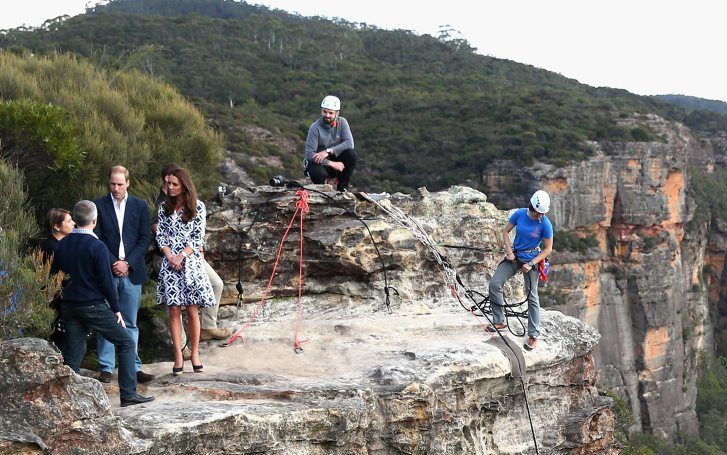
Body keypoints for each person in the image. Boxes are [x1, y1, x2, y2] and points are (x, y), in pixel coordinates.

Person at [52, 200, 154, 407]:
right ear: (95, 220)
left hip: (69, 305)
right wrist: (116, 309)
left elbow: (56, 276)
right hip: (93, 305)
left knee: (73, 353)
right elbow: (107, 282)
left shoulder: (63, 244)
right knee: (125, 343)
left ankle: (69, 401)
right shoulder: (96, 246)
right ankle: (128, 394)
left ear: (76, 219)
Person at [152, 164, 229, 356]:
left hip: (191, 257)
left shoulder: (196, 205)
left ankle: (208, 327)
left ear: (183, 184)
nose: (170, 187)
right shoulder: (162, 203)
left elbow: (197, 235)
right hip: (166, 258)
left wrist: (189, 252)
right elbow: (158, 231)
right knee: (175, 306)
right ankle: (182, 349)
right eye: (167, 182)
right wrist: (171, 255)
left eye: (174, 183)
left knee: (214, 286)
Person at [93, 166, 154, 384]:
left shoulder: (139, 206)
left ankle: (133, 367)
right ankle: (106, 368)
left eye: (120, 184)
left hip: (132, 273)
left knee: (130, 321)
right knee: (107, 320)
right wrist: (113, 263)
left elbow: (144, 239)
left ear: (128, 182)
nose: (116, 188)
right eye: (112, 184)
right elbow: (96, 238)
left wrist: (127, 263)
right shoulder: (98, 206)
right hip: (108, 272)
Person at [487, 190, 554, 351]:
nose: (541, 216)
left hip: (532, 258)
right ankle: (499, 321)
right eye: (539, 213)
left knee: (532, 296)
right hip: (515, 256)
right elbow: (505, 231)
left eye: (543, 213)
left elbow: (548, 249)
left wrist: (531, 263)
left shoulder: (545, 223)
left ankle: (534, 335)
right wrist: (509, 252)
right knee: (495, 283)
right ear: (532, 207)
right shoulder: (520, 214)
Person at [304, 95, 357, 192]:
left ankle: (342, 188)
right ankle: (321, 192)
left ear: (337, 113)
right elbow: (310, 154)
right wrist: (331, 163)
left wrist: (328, 151)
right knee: (319, 174)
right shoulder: (315, 128)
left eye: (330, 113)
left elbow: (349, 143)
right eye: (325, 112)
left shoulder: (342, 122)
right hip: (319, 162)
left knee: (351, 154)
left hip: (334, 158)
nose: (327, 115)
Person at [40, 208, 76, 350]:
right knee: (62, 343)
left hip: (58, 300)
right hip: (57, 302)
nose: (73, 223)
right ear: (56, 226)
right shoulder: (53, 247)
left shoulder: (58, 245)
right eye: (68, 221)